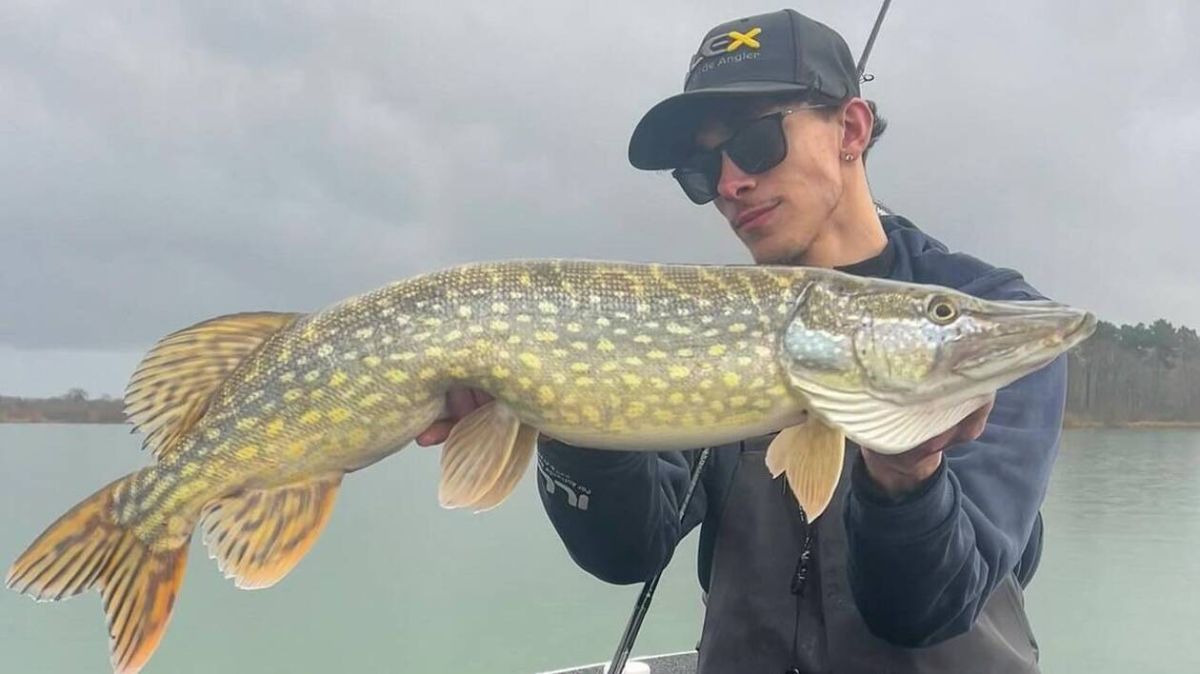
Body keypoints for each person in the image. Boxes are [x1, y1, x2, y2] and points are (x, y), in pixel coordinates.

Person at [418, 9, 1067, 673]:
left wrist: (906, 477)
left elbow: (926, 608)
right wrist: (565, 414)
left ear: (850, 129)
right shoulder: (703, 327)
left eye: (756, 143)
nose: (729, 185)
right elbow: (623, 550)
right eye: (702, 170)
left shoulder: (983, 322)